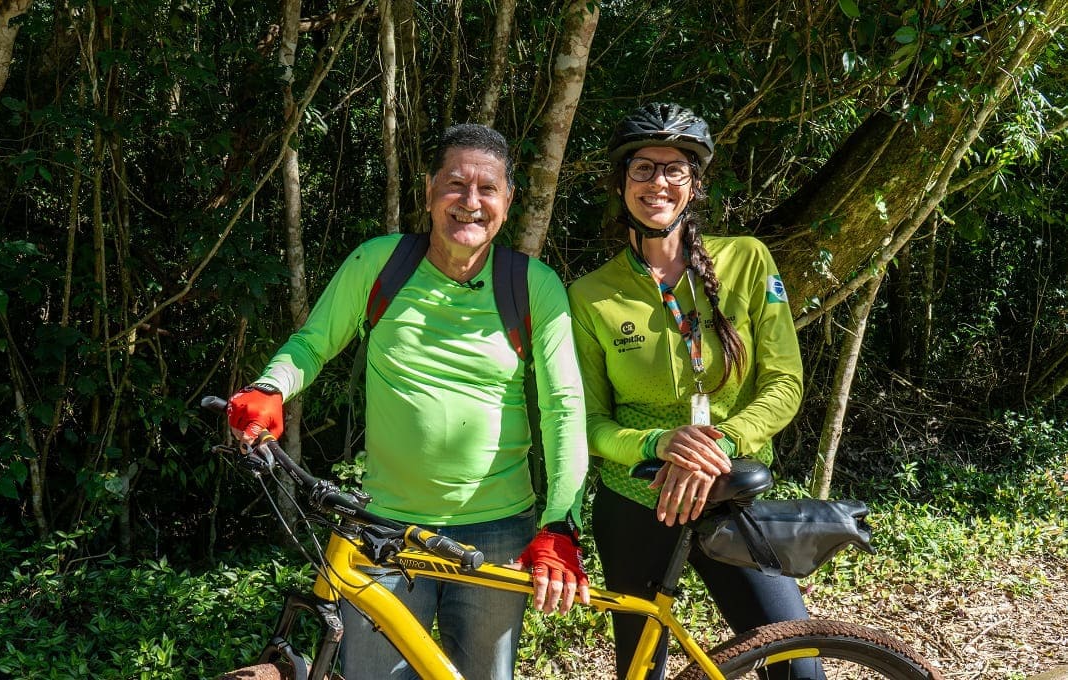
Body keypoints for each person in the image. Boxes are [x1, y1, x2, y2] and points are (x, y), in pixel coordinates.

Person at [227, 123, 590, 680]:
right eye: (455, 184)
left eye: (487, 188)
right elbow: (311, 344)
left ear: (508, 200)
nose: (471, 202)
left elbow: (565, 409)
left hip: (496, 533)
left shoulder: (532, 284)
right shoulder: (380, 264)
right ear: (428, 191)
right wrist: (270, 388)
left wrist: (560, 522)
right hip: (380, 530)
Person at [567, 103, 825, 679]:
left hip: (731, 493)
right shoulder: (589, 295)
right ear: (620, 182)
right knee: (642, 672)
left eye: (674, 169)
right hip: (636, 501)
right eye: (642, 168)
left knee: (797, 668)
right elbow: (591, 423)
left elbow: (784, 383)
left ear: (694, 184)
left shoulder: (748, 260)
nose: (657, 182)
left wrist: (718, 445)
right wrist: (662, 443)